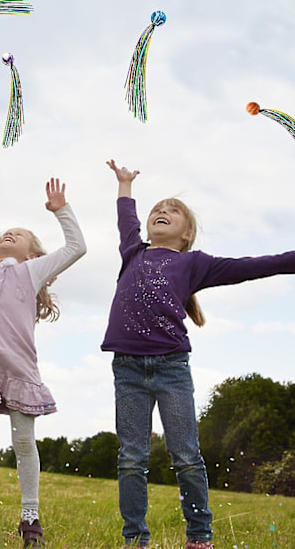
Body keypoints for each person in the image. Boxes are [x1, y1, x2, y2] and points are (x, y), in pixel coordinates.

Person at [103, 159, 295, 549]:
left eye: (172, 210)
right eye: (158, 207)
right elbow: (126, 218)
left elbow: (254, 266)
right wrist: (125, 185)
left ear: (187, 233)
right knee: (131, 458)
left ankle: (199, 535)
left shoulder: (194, 263)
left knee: (186, 455)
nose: (162, 211)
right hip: (127, 369)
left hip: (172, 368)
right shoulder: (133, 252)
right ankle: (134, 538)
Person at [0, 177, 86, 548]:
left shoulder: (32, 271)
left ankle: (30, 517)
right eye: (5, 233)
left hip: (19, 371)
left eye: (18, 233)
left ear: (34, 254)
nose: (8, 234)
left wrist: (60, 210)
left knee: (23, 442)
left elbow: (78, 247)